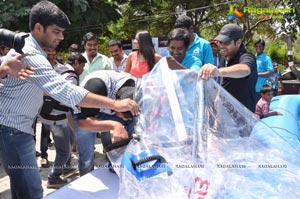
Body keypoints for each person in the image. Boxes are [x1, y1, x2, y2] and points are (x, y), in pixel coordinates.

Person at [0, 1, 139, 199]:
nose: (61, 37)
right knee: (31, 192)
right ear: (39, 28)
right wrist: (115, 104)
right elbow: (67, 92)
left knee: (23, 188)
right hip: (13, 130)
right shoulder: (31, 55)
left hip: (17, 128)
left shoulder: (26, 44)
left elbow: (48, 88)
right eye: (56, 31)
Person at [74, 70, 136, 176]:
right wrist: (115, 125)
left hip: (110, 109)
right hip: (87, 114)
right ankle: (86, 177)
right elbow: (82, 123)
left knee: (133, 130)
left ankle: (120, 166)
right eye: (124, 116)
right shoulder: (95, 87)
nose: (125, 120)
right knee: (86, 153)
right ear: (117, 101)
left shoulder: (137, 90)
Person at [39, 53, 87, 189]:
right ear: (76, 63)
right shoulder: (71, 76)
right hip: (57, 118)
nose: (82, 70)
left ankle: (65, 168)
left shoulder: (61, 69)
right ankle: (53, 178)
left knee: (67, 142)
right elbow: (67, 96)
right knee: (64, 150)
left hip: (49, 114)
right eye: (82, 66)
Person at [199, 23, 257, 112]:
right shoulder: (224, 57)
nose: (221, 46)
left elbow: (245, 69)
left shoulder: (247, 57)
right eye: (220, 42)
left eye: (226, 42)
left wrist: (217, 71)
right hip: (226, 113)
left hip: (243, 116)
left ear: (238, 42)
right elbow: (223, 79)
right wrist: (219, 95)